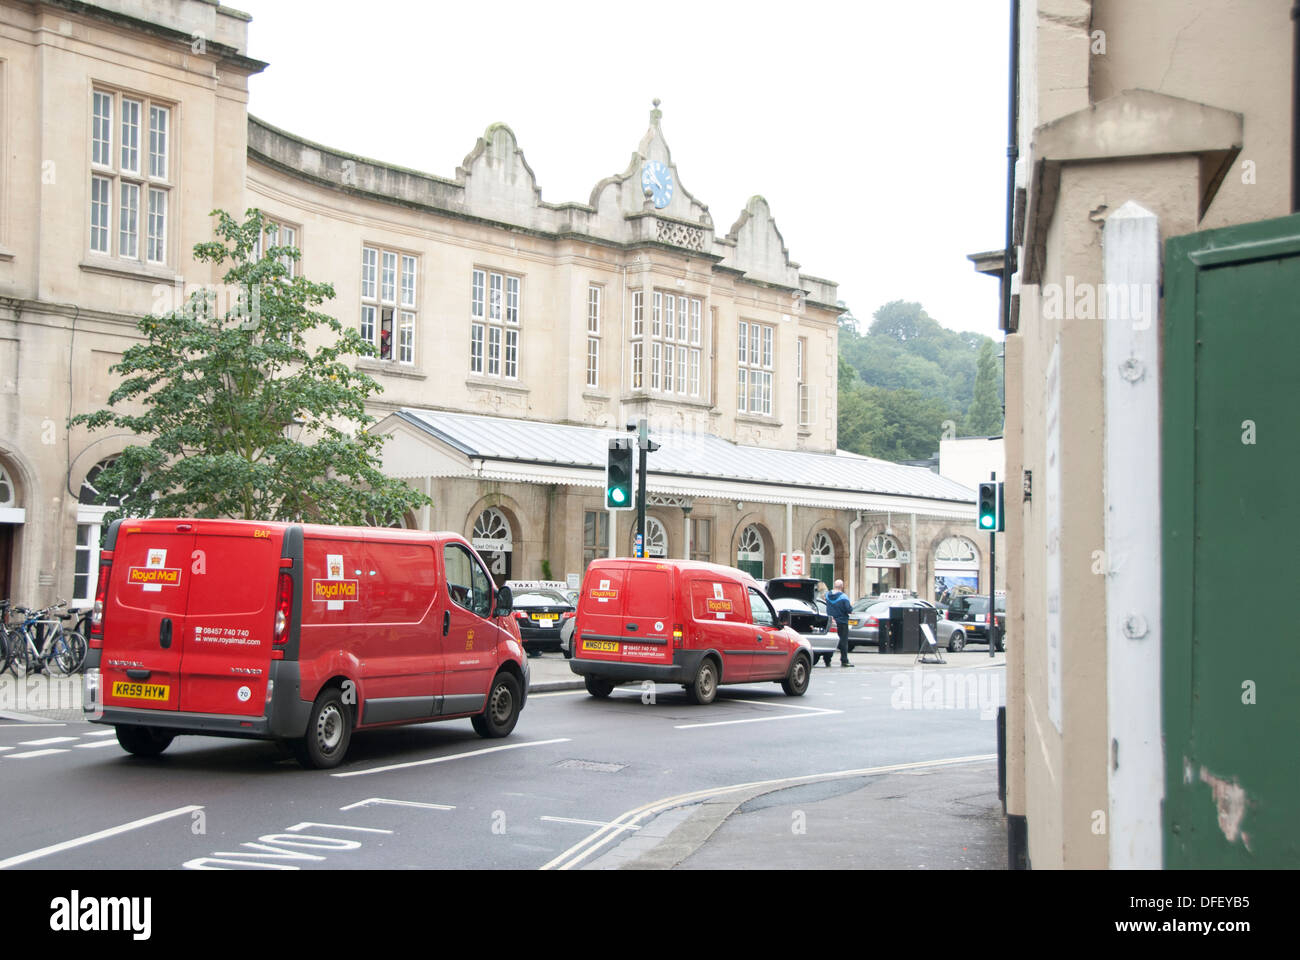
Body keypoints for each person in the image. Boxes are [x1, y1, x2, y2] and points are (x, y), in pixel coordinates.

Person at [825, 579, 854, 667]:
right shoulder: (844, 597)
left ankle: (827, 660)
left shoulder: (827, 595)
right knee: (843, 642)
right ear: (842, 587)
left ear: (834, 586)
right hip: (842, 621)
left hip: (831, 621)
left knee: (831, 641)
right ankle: (844, 660)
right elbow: (848, 609)